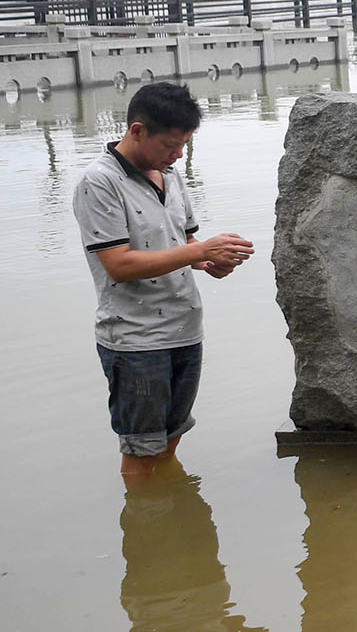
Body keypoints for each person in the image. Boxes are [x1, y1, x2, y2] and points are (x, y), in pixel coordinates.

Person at [73, 82, 254, 485]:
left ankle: (171, 522)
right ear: (138, 131)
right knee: (141, 448)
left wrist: (210, 260)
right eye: (171, 144)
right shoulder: (98, 183)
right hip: (136, 340)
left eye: (186, 143)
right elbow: (118, 264)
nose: (178, 154)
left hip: (185, 330)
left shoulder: (170, 175)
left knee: (172, 437)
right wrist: (197, 252)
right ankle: (145, 529)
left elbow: (183, 240)